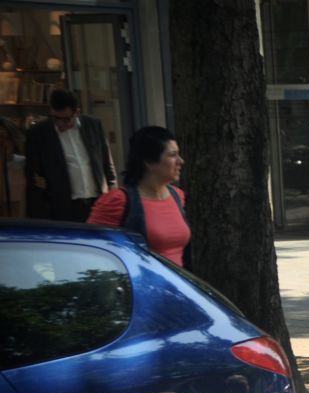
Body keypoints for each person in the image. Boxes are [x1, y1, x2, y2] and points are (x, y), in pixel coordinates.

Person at [87, 126, 190, 267]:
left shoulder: (177, 195)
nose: (181, 161)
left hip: (175, 285)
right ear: (149, 162)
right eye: (172, 155)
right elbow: (92, 250)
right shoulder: (118, 201)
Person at [23, 89, 115, 222]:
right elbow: (33, 176)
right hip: (64, 206)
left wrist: (112, 190)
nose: (60, 123)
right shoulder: (38, 134)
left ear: (76, 112)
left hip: (97, 201)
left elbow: (106, 161)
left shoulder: (93, 125)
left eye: (66, 119)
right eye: (56, 118)